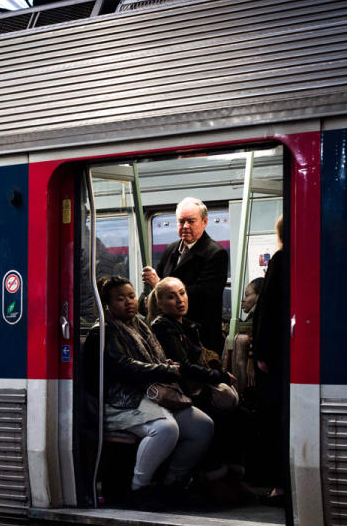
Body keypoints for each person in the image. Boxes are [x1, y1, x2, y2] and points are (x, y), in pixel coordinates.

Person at [83, 276, 213, 509]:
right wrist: (165, 370)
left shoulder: (140, 324)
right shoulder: (102, 332)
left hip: (148, 393)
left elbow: (153, 359)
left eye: (131, 296)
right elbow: (123, 367)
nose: (129, 302)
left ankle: (172, 481)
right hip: (119, 400)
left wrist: (164, 366)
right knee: (165, 429)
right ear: (107, 305)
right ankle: (138, 487)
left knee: (203, 426)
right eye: (120, 299)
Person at [148, 277, 253, 504]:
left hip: (195, 387)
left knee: (241, 415)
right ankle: (212, 478)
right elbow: (183, 367)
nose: (179, 300)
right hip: (181, 392)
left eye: (182, 293)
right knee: (222, 419)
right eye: (171, 296)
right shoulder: (163, 327)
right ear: (159, 303)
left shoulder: (186, 325)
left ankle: (229, 476)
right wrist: (219, 376)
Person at [141, 197, 229, 353]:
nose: (185, 226)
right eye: (181, 221)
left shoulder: (215, 253)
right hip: (168, 334)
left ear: (205, 222)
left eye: (191, 221)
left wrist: (159, 285)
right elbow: (155, 285)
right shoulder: (170, 250)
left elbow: (203, 295)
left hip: (199, 336)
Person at [252, 215, 289, 504]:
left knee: (277, 418)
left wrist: (261, 352)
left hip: (277, 356)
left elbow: (268, 309)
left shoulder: (280, 259)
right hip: (287, 353)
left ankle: (280, 484)